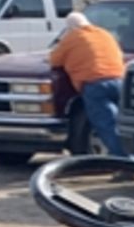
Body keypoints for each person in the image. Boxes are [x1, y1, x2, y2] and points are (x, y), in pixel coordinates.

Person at [50, 11, 128, 155]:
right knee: (122, 124)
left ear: (70, 27)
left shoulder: (73, 37)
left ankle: (126, 163)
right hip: (119, 80)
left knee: (107, 125)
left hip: (95, 84)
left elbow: (54, 60)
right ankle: (130, 156)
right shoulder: (104, 34)